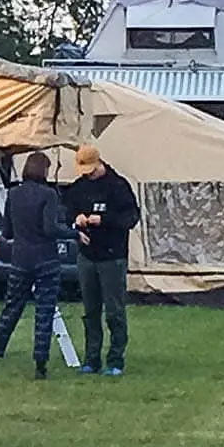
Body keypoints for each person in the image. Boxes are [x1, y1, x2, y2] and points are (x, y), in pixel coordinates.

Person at [0, 152, 68, 379]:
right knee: (44, 312)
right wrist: (73, 233)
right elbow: (50, 228)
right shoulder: (49, 194)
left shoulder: (13, 194)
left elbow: (7, 232)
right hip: (46, 260)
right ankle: (40, 367)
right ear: (44, 171)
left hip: (20, 260)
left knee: (11, 310)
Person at [61, 143, 139, 376]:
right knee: (90, 310)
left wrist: (103, 220)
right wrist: (77, 221)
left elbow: (131, 218)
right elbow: (66, 212)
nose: (87, 175)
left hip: (112, 257)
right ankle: (91, 358)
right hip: (87, 256)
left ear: (98, 164)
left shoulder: (118, 186)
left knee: (114, 310)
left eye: (90, 170)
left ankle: (115, 360)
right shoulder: (77, 188)